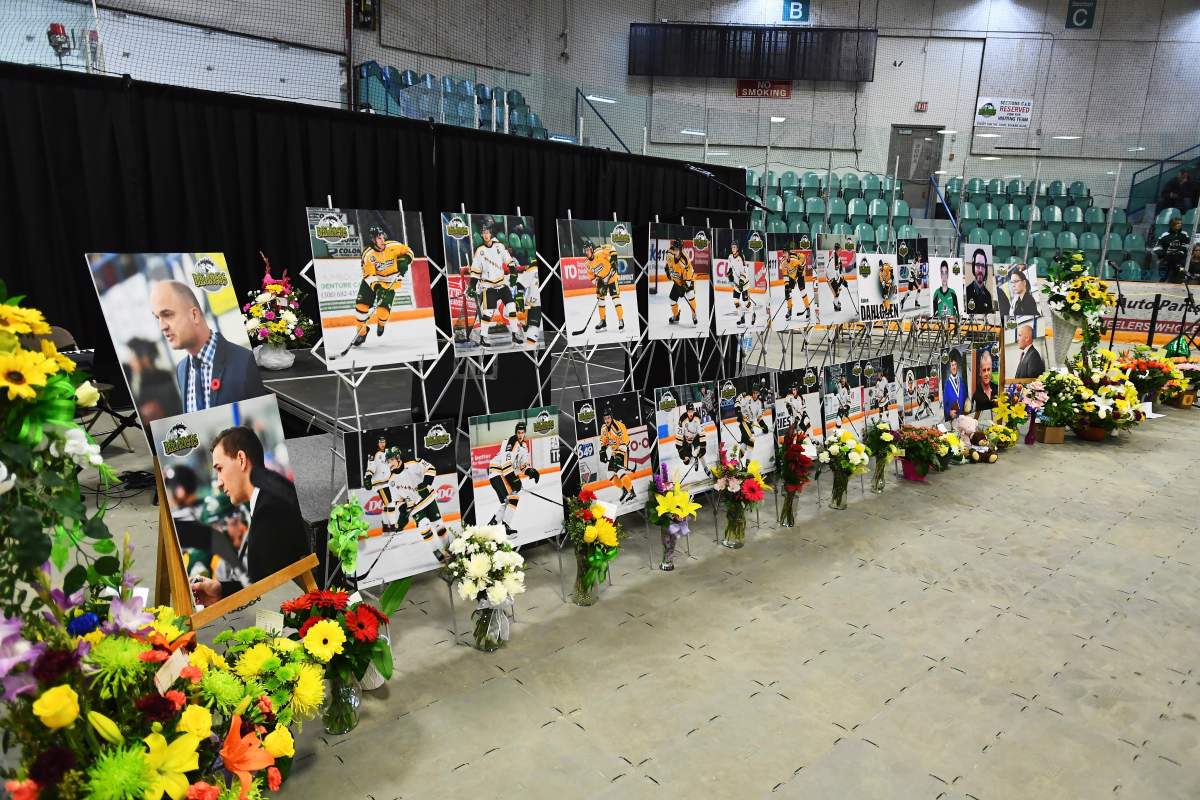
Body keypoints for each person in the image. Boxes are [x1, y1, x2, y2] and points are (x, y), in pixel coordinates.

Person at [190, 426, 310, 606]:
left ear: (241, 459)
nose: (219, 482)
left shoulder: (269, 511)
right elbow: (265, 580)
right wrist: (222, 590)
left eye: (220, 468)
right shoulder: (271, 493)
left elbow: (272, 593)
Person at [149, 280, 266, 412]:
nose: (162, 326)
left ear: (194, 315)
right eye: (157, 318)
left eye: (167, 315)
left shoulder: (245, 361)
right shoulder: (181, 370)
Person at [348, 225, 414, 350]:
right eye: (379, 238)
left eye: (382, 236)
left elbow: (409, 251)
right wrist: (378, 288)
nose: (382, 239)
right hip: (372, 282)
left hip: (389, 283)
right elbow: (368, 275)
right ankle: (362, 333)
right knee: (360, 309)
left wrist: (405, 260)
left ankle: (381, 324)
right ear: (373, 240)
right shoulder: (368, 254)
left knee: (383, 313)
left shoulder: (394, 246)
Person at [468, 223, 524, 345]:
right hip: (488, 287)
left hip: (502, 285)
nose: (485, 235)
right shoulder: (479, 251)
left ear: (491, 233)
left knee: (512, 309)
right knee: (488, 314)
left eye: (487, 232)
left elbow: (509, 260)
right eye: (483, 233)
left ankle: (514, 334)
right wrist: (472, 286)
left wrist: (513, 270)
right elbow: (475, 272)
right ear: (482, 235)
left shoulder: (499, 246)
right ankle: (483, 338)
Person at [389, 452, 451, 561]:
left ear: (398, 458)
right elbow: (398, 500)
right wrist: (403, 513)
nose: (389, 463)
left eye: (391, 460)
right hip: (414, 506)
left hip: (428, 498)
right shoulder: (392, 481)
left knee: (439, 525)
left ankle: (448, 548)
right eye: (388, 461)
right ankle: (435, 550)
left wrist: (426, 482)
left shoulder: (413, 463)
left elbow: (431, 468)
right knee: (423, 524)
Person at [486, 422, 541, 538]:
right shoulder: (511, 441)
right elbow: (506, 463)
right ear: (516, 432)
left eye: (522, 432)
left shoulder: (524, 447)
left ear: (525, 433)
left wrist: (531, 471)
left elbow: (522, 466)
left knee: (507, 501)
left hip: (501, 474)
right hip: (498, 472)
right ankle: (505, 529)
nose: (520, 435)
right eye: (518, 432)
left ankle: (492, 525)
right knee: (513, 497)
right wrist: (514, 480)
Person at [126, 337, 181, 421]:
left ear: (145, 358)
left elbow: (173, 408)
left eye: (133, 356)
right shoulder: (129, 375)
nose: (130, 360)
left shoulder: (164, 377)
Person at [583, 242, 624, 332]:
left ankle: (621, 320)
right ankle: (603, 321)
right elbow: (591, 277)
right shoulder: (587, 264)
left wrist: (614, 260)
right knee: (600, 300)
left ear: (592, 249)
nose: (587, 252)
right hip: (601, 281)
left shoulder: (599, 251)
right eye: (585, 251)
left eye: (588, 250)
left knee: (615, 298)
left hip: (612, 277)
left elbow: (612, 248)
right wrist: (598, 283)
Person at [599, 407, 636, 503]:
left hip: (623, 451)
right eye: (605, 418)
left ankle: (632, 492)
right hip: (614, 452)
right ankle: (624, 490)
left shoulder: (618, 426)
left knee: (619, 471)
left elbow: (625, 442)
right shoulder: (604, 428)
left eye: (608, 418)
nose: (606, 420)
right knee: (610, 474)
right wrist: (602, 451)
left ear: (611, 417)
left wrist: (619, 457)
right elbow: (604, 440)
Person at [363, 435, 399, 533]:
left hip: (388, 482)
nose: (382, 444)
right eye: (380, 442)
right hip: (380, 484)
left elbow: (392, 465)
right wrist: (368, 477)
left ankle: (385, 525)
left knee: (386, 504)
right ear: (377, 443)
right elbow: (370, 466)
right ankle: (393, 525)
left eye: (383, 442)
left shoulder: (388, 452)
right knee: (390, 503)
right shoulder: (374, 453)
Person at [665, 240, 699, 326]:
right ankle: (676, 316)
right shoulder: (669, 253)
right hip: (677, 280)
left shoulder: (684, 260)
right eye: (674, 249)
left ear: (681, 249)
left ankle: (694, 314)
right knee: (672, 300)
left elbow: (687, 278)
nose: (675, 251)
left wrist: (683, 289)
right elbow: (667, 265)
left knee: (690, 294)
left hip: (688, 279)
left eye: (677, 249)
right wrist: (668, 272)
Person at [675, 403, 708, 480]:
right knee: (686, 461)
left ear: (694, 410)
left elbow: (702, 432)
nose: (691, 413)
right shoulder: (682, 419)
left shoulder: (698, 417)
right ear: (687, 412)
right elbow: (679, 436)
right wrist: (680, 452)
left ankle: (705, 467)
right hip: (686, 440)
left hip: (696, 437)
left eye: (692, 411)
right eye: (689, 411)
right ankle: (694, 459)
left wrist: (703, 446)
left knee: (699, 452)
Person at [1153, 218, 1191, 283]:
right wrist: (1165, 254)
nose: (1180, 225)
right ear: (1172, 224)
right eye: (1178, 223)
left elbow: (1188, 246)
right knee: (1165, 279)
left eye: (1181, 223)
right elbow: (1156, 249)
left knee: (1179, 279)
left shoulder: (1184, 234)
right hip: (1168, 261)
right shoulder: (1165, 235)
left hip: (1180, 261)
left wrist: (1180, 251)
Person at [727, 242, 756, 326]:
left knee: (746, 303)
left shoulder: (741, 258)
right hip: (737, 284)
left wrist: (741, 284)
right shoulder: (730, 257)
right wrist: (729, 274)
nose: (733, 249)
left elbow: (744, 273)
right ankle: (741, 317)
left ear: (737, 248)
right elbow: (730, 269)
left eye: (735, 247)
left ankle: (753, 314)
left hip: (744, 284)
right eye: (732, 247)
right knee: (735, 301)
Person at [781, 245, 812, 321]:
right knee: (788, 292)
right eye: (783, 253)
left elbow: (803, 258)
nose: (783, 254)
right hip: (791, 276)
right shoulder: (783, 263)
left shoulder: (794, 259)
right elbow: (785, 275)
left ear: (788, 253)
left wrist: (800, 270)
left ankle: (808, 309)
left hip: (799, 274)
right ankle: (789, 310)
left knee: (802, 291)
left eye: (785, 253)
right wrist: (786, 286)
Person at [965, 249, 994, 314]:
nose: (980, 270)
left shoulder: (988, 295)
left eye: (983, 266)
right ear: (973, 267)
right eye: (978, 265)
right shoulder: (967, 292)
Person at [942, 355, 966, 420]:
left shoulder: (961, 381)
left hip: (962, 417)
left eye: (955, 364)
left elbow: (965, 397)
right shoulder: (947, 384)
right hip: (952, 419)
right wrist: (949, 412)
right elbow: (944, 404)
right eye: (952, 365)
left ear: (957, 366)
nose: (954, 367)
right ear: (950, 367)